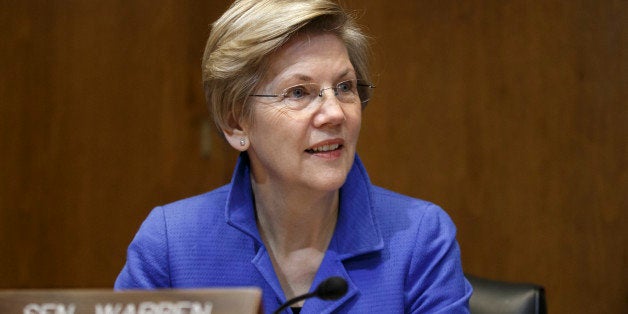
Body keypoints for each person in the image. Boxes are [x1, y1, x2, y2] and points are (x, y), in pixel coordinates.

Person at [114, 0, 472, 313]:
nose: (334, 113)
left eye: (344, 87)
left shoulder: (419, 238)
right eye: (299, 92)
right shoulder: (171, 244)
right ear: (236, 123)